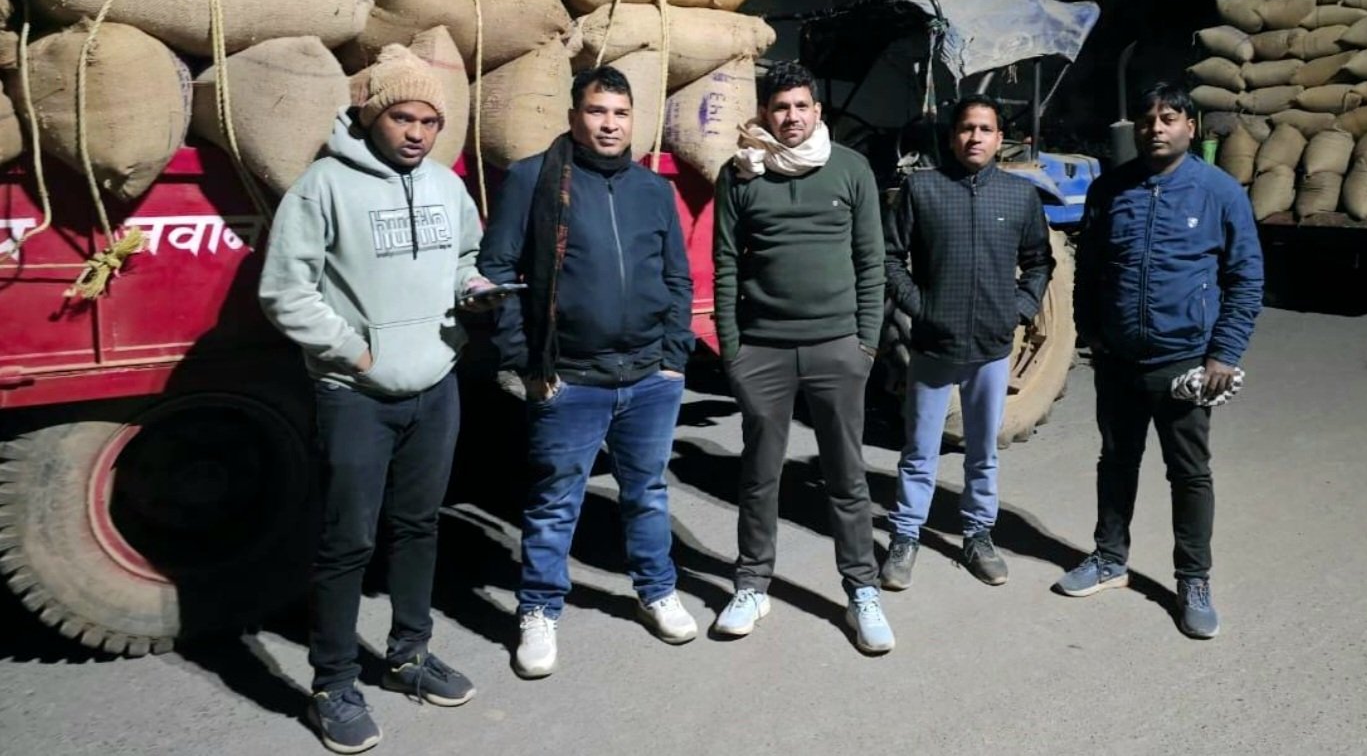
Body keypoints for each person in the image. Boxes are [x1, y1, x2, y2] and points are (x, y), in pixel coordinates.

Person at [259, 44, 488, 755]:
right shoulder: (323, 186)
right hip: (356, 394)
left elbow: (465, 258)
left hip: (436, 386)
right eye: (402, 118)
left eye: (429, 121)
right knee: (347, 542)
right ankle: (333, 684)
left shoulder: (447, 186)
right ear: (371, 117)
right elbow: (284, 290)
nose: (417, 133)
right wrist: (353, 351)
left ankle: (409, 654)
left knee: (419, 527)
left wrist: (475, 290)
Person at [478, 64, 696, 681]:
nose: (610, 124)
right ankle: (539, 609)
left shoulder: (652, 189)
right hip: (569, 376)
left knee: (647, 492)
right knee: (554, 502)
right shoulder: (533, 179)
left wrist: (673, 357)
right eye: (598, 111)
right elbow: (498, 272)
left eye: (621, 114)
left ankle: (657, 590)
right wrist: (526, 361)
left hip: (648, 377)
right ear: (574, 116)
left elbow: (676, 276)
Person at [1058, 81, 1263, 639]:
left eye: (1169, 118)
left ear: (1190, 127)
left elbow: (1246, 278)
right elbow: (1087, 269)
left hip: (1184, 362)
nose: (1156, 128)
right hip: (1118, 360)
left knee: (1189, 473)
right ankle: (1109, 558)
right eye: (1147, 119)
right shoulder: (1110, 189)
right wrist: (1091, 331)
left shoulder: (1220, 192)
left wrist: (1224, 353)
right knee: (1116, 461)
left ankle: (1193, 580)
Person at [710, 61, 895, 653]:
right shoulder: (741, 173)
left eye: (800, 106)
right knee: (759, 476)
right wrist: (733, 350)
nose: (791, 117)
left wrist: (865, 345)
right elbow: (725, 263)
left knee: (847, 477)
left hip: (837, 347)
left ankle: (862, 591)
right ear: (765, 114)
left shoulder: (851, 169)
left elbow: (872, 262)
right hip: (762, 350)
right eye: (780, 107)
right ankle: (751, 586)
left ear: (817, 110)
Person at [879, 95, 1055, 591]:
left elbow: (1039, 261)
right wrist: (921, 308)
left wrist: (1019, 310)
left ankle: (978, 534)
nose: (975, 137)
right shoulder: (923, 189)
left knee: (983, 452)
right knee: (920, 450)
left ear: (999, 139)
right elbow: (890, 257)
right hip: (933, 347)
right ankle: (905, 535)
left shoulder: (1019, 196)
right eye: (966, 128)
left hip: (991, 350)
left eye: (985, 129)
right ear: (953, 136)